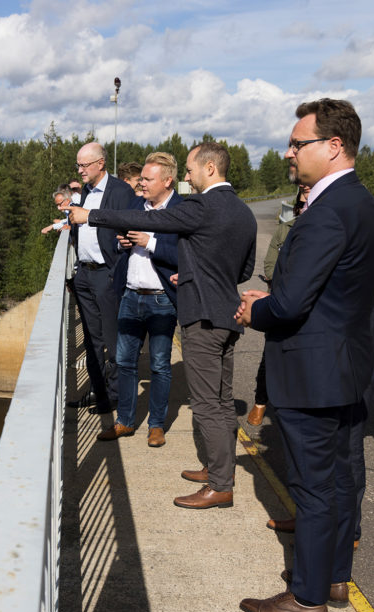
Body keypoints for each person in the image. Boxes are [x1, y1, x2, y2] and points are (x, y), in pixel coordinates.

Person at [237, 98, 374, 612]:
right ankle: (334, 578)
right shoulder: (365, 203)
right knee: (342, 479)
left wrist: (258, 310)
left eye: (298, 143)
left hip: (311, 371)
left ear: (334, 145)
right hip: (347, 364)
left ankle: (306, 598)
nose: (288, 152)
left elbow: (293, 302)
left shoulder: (328, 211)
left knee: (314, 487)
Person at [66, 142, 256, 507]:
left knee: (206, 405)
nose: (187, 176)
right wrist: (195, 272)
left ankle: (219, 485)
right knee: (220, 398)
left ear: (210, 169)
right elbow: (243, 270)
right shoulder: (242, 211)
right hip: (229, 313)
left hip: (203, 316)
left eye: (189, 169)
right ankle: (221, 468)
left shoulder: (201, 206)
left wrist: (88, 217)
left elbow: (149, 220)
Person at [106, 152, 181, 446]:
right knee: (125, 361)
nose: (141, 184)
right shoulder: (136, 204)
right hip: (130, 296)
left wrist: (148, 242)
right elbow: (122, 240)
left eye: (148, 180)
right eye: (141, 179)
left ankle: (156, 425)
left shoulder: (181, 210)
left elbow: (182, 255)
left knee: (160, 364)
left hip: (162, 299)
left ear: (167, 180)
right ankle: (124, 421)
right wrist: (122, 242)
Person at [65, 142, 137, 436]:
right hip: (84, 274)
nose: (80, 170)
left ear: (100, 164)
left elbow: (130, 226)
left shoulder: (121, 192)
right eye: (78, 165)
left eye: (84, 165)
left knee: (112, 339)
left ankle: (115, 395)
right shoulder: (84, 192)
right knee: (93, 340)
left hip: (107, 274)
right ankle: (99, 393)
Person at [246, 179, 310, 427]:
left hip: (306, 305)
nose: (304, 206)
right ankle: (260, 403)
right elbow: (270, 264)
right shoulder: (286, 229)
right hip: (280, 299)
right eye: (301, 202)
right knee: (270, 354)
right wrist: (284, 280)